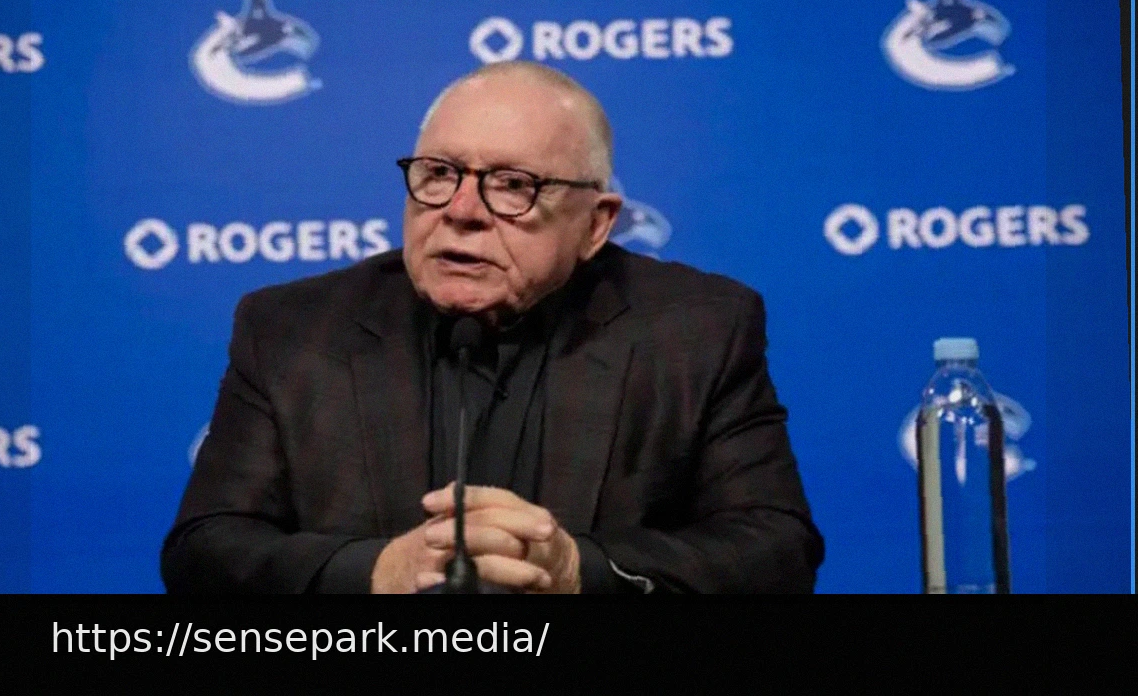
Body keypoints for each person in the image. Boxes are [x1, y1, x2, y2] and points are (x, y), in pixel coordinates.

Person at [161, 61, 824, 594]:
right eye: (438, 174)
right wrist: (376, 573)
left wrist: (578, 571)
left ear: (596, 224)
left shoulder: (697, 330)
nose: (461, 210)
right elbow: (205, 551)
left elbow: (775, 550)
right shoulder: (293, 330)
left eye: (513, 184)